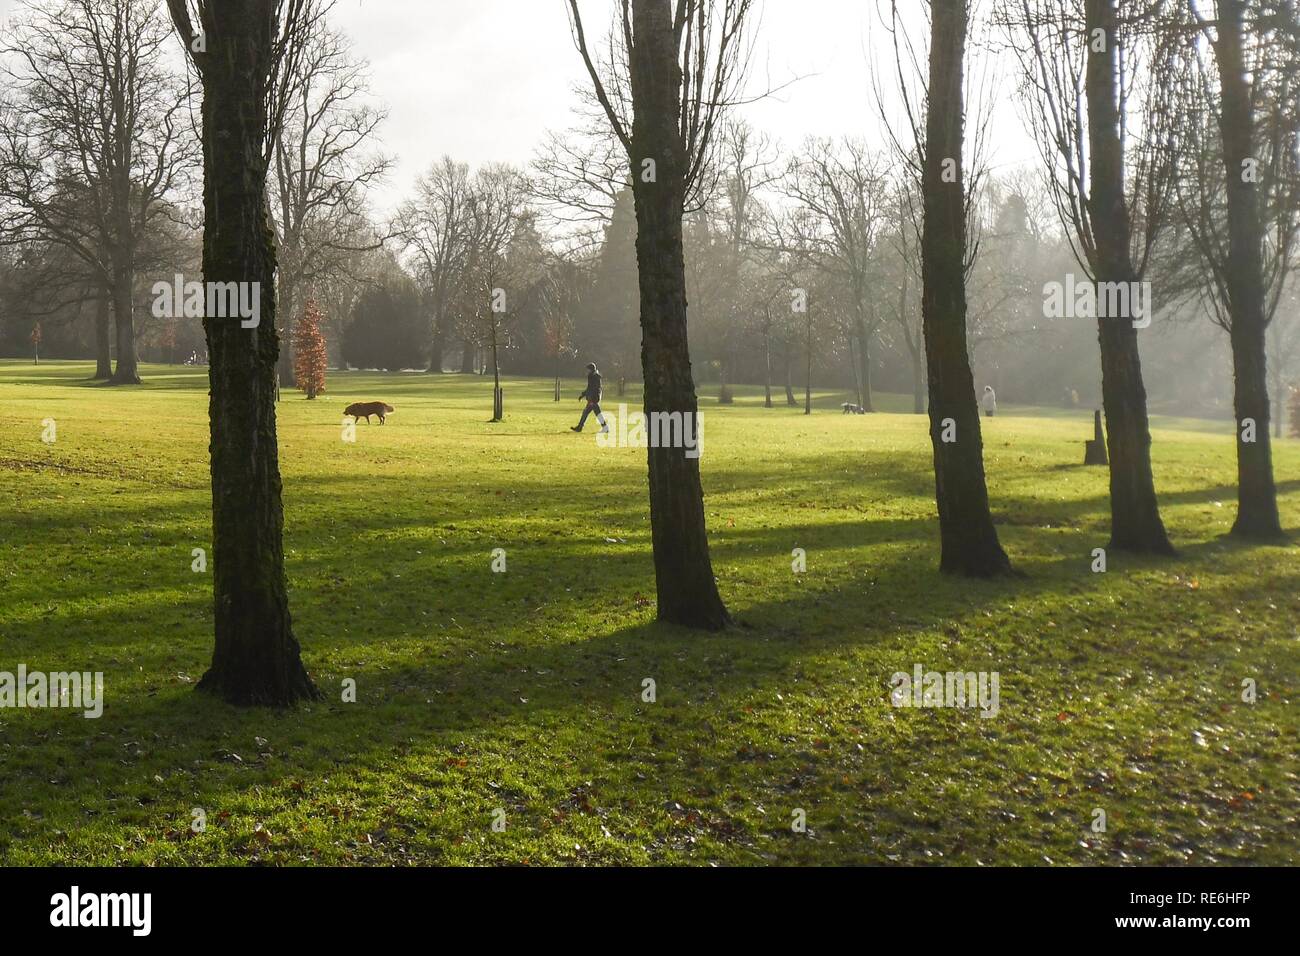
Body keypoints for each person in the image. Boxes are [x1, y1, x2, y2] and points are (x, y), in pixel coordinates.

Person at [572, 362, 609, 433]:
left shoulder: (594, 377)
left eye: (588, 369)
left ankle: (580, 427)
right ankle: (605, 428)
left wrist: (592, 400)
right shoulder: (592, 376)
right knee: (594, 413)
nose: (586, 371)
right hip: (593, 398)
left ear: (591, 370)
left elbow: (595, 389)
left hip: (593, 399)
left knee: (588, 413)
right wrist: (583, 395)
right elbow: (589, 388)